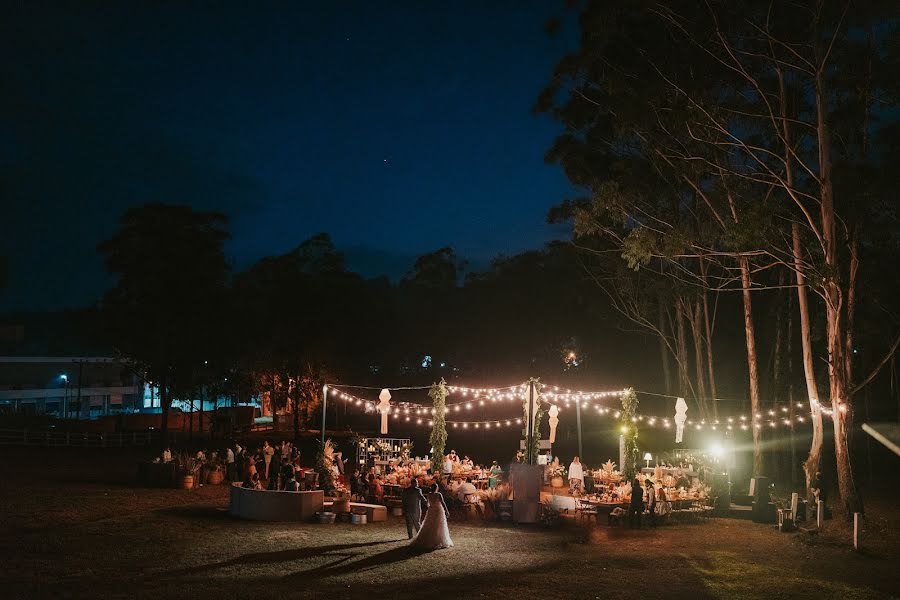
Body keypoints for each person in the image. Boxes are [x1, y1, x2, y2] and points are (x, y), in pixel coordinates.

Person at [411, 483, 453, 551]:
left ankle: (428, 538)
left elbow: (427, 503)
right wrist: (446, 511)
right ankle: (437, 539)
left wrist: (432, 507)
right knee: (438, 525)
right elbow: (443, 503)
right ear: (436, 488)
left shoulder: (429, 494)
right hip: (438, 510)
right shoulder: (438, 494)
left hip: (431, 510)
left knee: (429, 524)